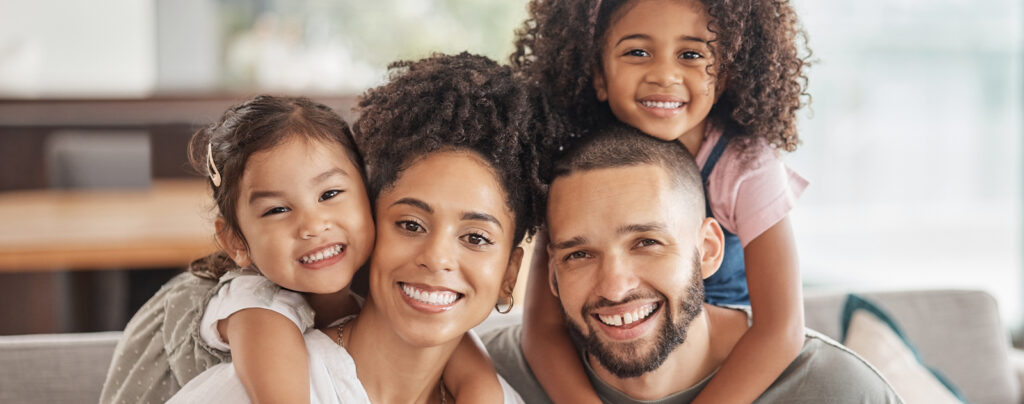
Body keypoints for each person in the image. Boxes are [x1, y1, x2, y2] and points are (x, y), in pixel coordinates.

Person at [169, 52, 555, 403]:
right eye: (410, 224)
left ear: (509, 274)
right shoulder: (258, 381)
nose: (437, 258)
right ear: (371, 224)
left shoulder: (495, 393)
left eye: (475, 237)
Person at [101, 95, 507, 403]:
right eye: (278, 209)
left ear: (367, 196)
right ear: (238, 242)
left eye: (330, 193)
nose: (313, 226)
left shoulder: (379, 275)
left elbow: (457, 350)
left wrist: (482, 393)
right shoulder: (259, 307)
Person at [510, 0, 812, 402]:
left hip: (727, 376)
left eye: (690, 54)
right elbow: (542, 329)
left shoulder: (746, 165)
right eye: (637, 52)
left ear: (722, 76)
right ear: (598, 76)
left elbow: (782, 329)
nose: (665, 75)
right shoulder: (575, 172)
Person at [483, 125, 901, 403]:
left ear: (709, 249)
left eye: (646, 242)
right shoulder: (487, 380)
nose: (614, 286)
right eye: (579, 254)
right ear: (551, 274)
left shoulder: (836, 392)